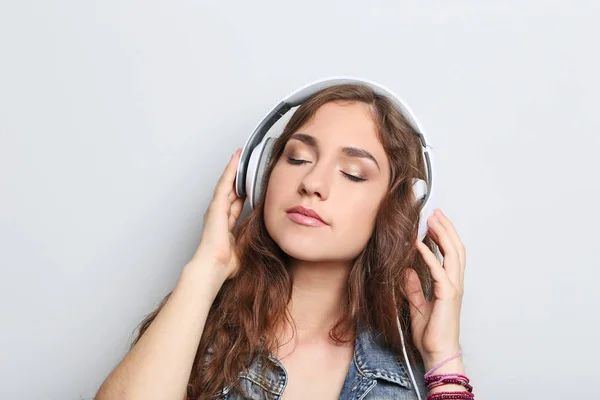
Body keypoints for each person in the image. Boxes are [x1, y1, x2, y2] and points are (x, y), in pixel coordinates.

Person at [95, 83, 471, 400]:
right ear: (260, 177)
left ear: (402, 209)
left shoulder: (409, 368)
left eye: (352, 174)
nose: (312, 183)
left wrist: (443, 361)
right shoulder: (198, 334)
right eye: (297, 158)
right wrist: (205, 269)